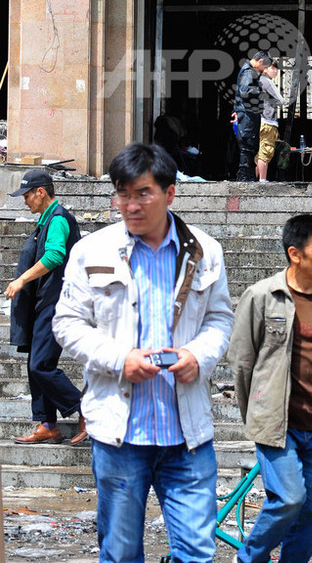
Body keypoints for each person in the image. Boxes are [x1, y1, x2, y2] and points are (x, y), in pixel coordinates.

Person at [53, 142, 234, 563]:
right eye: (122, 193)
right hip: (120, 435)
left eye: (142, 193)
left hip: (186, 436)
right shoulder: (91, 250)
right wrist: (121, 360)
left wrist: (198, 355)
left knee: (197, 553)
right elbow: (67, 324)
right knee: (120, 553)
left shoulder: (205, 251)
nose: (131, 205)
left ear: (170, 193)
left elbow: (220, 318)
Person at [228, 213, 312, 563]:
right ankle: (248, 559)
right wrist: (257, 413)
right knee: (288, 499)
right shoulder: (262, 296)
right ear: (295, 254)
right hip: (277, 424)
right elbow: (242, 361)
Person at [5, 169, 86, 446]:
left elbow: (55, 256)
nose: (25, 201)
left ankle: (87, 408)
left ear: (41, 192)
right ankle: (47, 424)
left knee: (41, 364)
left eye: (27, 195)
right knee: (35, 364)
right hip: (44, 302)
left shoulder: (59, 219)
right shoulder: (45, 221)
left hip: (58, 302)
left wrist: (21, 280)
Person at [232, 50, 272, 181]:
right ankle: (244, 177)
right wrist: (261, 92)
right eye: (264, 67)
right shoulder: (249, 72)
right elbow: (245, 91)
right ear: (260, 61)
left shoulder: (249, 71)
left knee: (250, 146)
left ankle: (247, 177)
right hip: (247, 115)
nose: (263, 70)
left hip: (248, 114)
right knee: (248, 146)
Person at [255, 61, 286, 182]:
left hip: (259, 120)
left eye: (276, 69)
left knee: (259, 153)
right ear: (265, 69)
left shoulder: (257, 81)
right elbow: (281, 100)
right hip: (268, 121)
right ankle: (262, 180)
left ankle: (254, 179)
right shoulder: (267, 82)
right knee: (265, 152)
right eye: (273, 68)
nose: (276, 71)